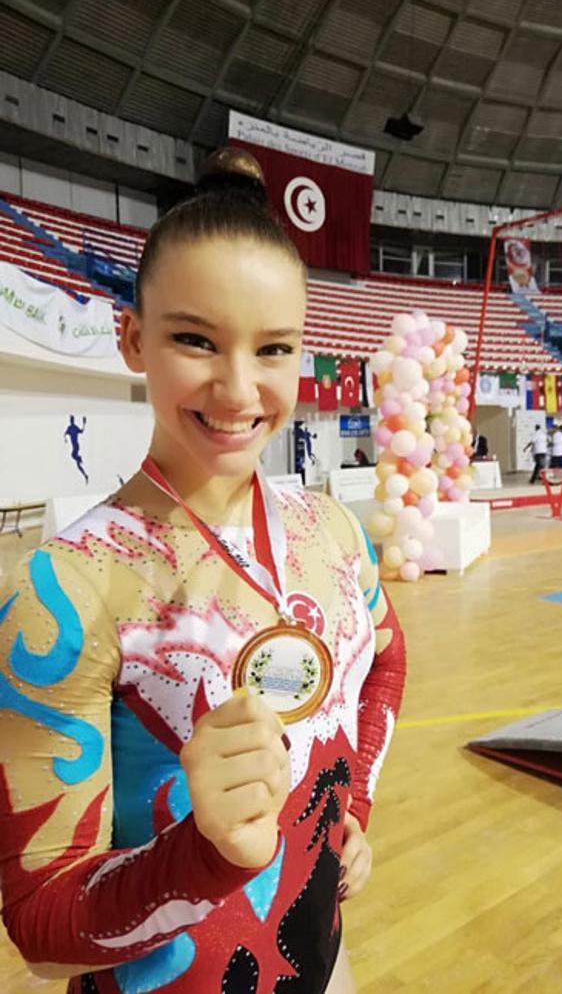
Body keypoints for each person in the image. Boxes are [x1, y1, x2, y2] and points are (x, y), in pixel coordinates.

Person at [0, 147, 406, 994]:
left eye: (273, 349)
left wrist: (353, 809)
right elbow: (41, 932)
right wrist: (204, 855)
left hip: (323, 965)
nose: (236, 388)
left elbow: (386, 663)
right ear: (132, 339)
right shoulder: (63, 590)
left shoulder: (332, 530)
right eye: (195, 339)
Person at [64, 413, 89, 484]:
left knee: (73, 456)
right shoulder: (71, 428)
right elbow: (65, 434)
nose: (71, 421)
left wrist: (84, 423)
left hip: (76, 446)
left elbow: (81, 431)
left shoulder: (72, 427)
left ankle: (79, 460)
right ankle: (84, 473)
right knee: (75, 458)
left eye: (71, 420)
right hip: (76, 446)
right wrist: (65, 439)